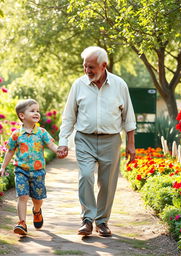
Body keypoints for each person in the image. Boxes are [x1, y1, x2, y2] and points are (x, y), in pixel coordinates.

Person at [57, 46, 136, 237]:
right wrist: (63, 141)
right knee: (85, 176)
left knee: (107, 183)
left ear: (103, 65)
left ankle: (102, 222)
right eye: (85, 66)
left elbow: (128, 117)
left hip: (111, 140)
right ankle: (87, 220)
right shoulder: (78, 85)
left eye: (91, 67)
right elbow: (69, 116)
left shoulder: (119, 84)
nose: (87, 71)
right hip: (85, 139)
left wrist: (131, 144)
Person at [0, 99, 59, 236]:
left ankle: (37, 211)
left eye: (38, 111)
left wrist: (59, 151)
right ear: (22, 115)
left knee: (38, 199)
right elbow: (10, 151)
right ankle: (22, 223)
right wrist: (3, 167)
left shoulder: (42, 132)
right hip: (21, 170)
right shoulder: (16, 134)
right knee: (22, 196)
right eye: (32, 111)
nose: (36, 113)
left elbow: (51, 145)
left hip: (38, 172)